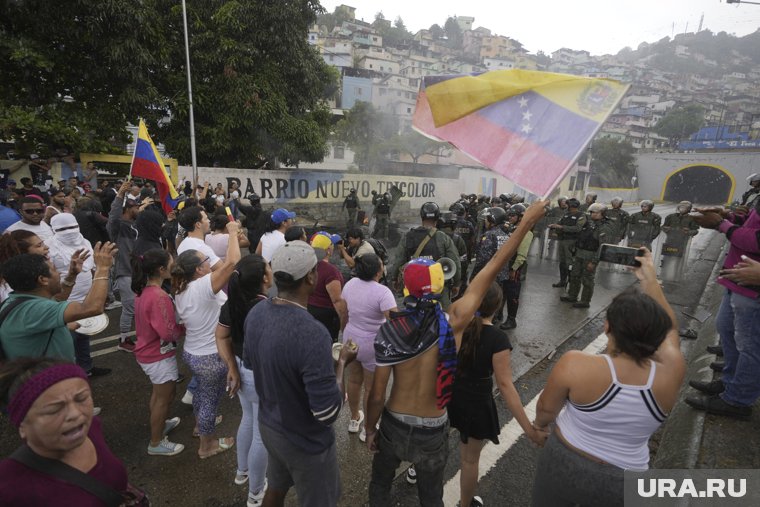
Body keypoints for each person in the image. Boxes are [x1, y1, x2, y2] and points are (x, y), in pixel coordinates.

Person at [366, 200, 548, 506]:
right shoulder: (454, 323)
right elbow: (490, 271)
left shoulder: (391, 329)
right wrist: (526, 222)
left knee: (380, 486)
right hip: (434, 426)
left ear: (405, 287)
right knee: (431, 496)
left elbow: (375, 394)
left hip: (394, 424)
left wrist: (371, 429)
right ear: (440, 287)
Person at [531, 249, 684, 506]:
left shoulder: (576, 363)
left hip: (566, 462)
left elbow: (546, 409)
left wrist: (539, 426)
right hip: (626, 478)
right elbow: (671, 329)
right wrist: (650, 280)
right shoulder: (672, 369)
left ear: (607, 327)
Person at [244, 240, 358, 507]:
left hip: (271, 426)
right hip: (305, 441)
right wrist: (342, 363)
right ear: (310, 277)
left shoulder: (257, 312)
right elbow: (328, 412)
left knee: (276, 488)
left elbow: (252, 363)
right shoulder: (312, 332)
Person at [449, 282, 547, 507]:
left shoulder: (457, 325)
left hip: (449, 395)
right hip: (476, 401)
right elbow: (505, 385)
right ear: (497, 306)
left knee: (434, 443)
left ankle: (415, 472)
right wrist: (529, 429)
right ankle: (465, 504)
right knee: (469, 460)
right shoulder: (497, 339)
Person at [0, 358, 141, 506]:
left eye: (81, 398)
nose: (75, 414)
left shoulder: (91, 428)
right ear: (22, 426)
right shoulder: (7, 486)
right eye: (54, 409)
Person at [172, 220, 241, 458]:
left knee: (203, 392)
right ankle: (206, 445)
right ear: (199, 270)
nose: (210, 263)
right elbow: (232, 262)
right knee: (211, 399)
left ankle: (200, 426)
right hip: (210, 356)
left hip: (193, 353)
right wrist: (232, 233)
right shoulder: (202, 285)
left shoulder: (182, 288)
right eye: (205, 261)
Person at [686, 202, 760, 419]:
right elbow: (752, 226)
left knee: (751, 347)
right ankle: (729, 382)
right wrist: (730, 219)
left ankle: (738, 400)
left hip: (753, 288)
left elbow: (756, 240)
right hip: (737, 278)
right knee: (726, 329)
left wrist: (722, 225)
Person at [215, 255, 271, 507]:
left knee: (247, 418)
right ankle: (256, 492)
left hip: (238, 369)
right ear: (264, 279)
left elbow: (221, 336)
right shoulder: (265, 309)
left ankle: (242, 471)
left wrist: (231, 368)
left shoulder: (232, 302)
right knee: (262, 434)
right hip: (258, 375)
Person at [0, 242, 116, 361]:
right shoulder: (34, 309)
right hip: (50, 377)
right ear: (42, 280)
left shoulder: (20, 300)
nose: (59, 273)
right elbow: (92, 308)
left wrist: (71, 276)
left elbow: (57, 300)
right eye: (54, 269)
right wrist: (102, 268)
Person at [132, 248, 186, 456]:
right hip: (157, 355)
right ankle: (156, 442)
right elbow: (168, 332)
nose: (174, 266)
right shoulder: (159, 296)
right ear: (162, 269)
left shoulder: (143, 291)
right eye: (171, 264)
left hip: (148, 352)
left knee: (159, 394)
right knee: (164, 397)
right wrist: (185, 328)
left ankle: (160, 424)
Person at [341, 253, 398, 442]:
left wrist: (345, 331)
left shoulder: (350, 284)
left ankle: (354, 419)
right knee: (371, 388)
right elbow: (395, 321)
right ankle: (368, 428)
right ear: (377, 271)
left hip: (351, 338)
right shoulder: (382, 292)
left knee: (354, 380)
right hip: (372, 343)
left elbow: (344, 311)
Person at [47, 213, 110, 378]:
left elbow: (92, 268)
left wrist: (99, 292)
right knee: (68, 340)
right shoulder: (50, 247)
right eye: (63, 229)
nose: (70, 232)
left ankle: (86, 367)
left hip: (87, 296)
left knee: (84, 337)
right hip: (64, 300)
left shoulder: (85, 242)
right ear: (54, 230)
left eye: (72, 227)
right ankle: (71, 375)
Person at [395, 202, 462, 309]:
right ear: (437, 219)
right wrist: (457, 284)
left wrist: (395, 279)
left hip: (414, 287)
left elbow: (398, 260)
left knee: (413, 315)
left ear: (422, 217)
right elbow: (455, 262)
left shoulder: (408, 236)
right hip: (438, 288)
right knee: (444, 316)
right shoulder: (442, 237)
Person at [561, 203, 615, 309]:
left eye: (595, 212)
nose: (592, 214)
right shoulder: (589, 223)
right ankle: (572, 295)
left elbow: (602, 247)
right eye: (591, 212)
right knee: (574, 275)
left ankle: (585, 301)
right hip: (580, 253)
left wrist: (594, 262)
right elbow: (582, 236)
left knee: (587, 279)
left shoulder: (605, 227)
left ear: (602, 214)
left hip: (591, 256)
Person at [108, 180, 140, 352]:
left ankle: (141, 336)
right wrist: (120, 194)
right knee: (129, 308)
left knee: (138, 308)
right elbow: (113, 216)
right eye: (136, 207)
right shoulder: (117, 227)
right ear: (128, 209)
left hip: (137, 273)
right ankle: (124, 339)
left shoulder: (134, 226)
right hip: (125, 273)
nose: (138, 210)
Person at [307, 232, 347, 343]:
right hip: (325, 316)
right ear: (328, 250)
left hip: (308, 310)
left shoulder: (307, 264)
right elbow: (337, 301)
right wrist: (344, 325)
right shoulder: (331, 271)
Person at [471, 207, 509, 321]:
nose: (485, 222)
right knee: (496, 300)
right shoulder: (505, 235)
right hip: (501, 275)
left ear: (493, 220)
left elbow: (483, 258)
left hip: (488, 276)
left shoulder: (489, 235)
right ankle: (496, 317)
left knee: (484, 304)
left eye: (487, 219)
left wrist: (474, 276)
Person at [500, 204, 533, 329]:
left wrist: (514, 269)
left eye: (513, 215)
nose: (510, 217)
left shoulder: (526, 232)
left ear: (520, 217)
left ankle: (511, 319)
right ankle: (499, 314)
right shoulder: (510, 229)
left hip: (514, 267)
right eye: (509, 215)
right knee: (502, 290)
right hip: (505, 265)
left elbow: (522, 255)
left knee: (512, 294)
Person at [0, 231, 53, 304]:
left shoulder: (37, 273)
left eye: (43, 243)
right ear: (21, 252)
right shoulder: (6, 287)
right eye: (39, 245)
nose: (47, 247)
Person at [548, 197, 586, 288]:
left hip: (572, 241)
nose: (566, 206)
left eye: (568, 205)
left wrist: (562, 227)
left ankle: (571, 283)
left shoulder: (581, 215)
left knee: (570, 263)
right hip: (563, 240)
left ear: (572, 206)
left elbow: (578, 228)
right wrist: (555, 226)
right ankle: (562, 280)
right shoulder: (566, 214)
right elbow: (559, 223)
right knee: (562, 262)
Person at [177, 206, 223, 270]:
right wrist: (233, 234)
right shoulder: (200, 248)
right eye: (206, 219)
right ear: (198, 224)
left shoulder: (183, 244)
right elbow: (224, 270)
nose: (209, 221)